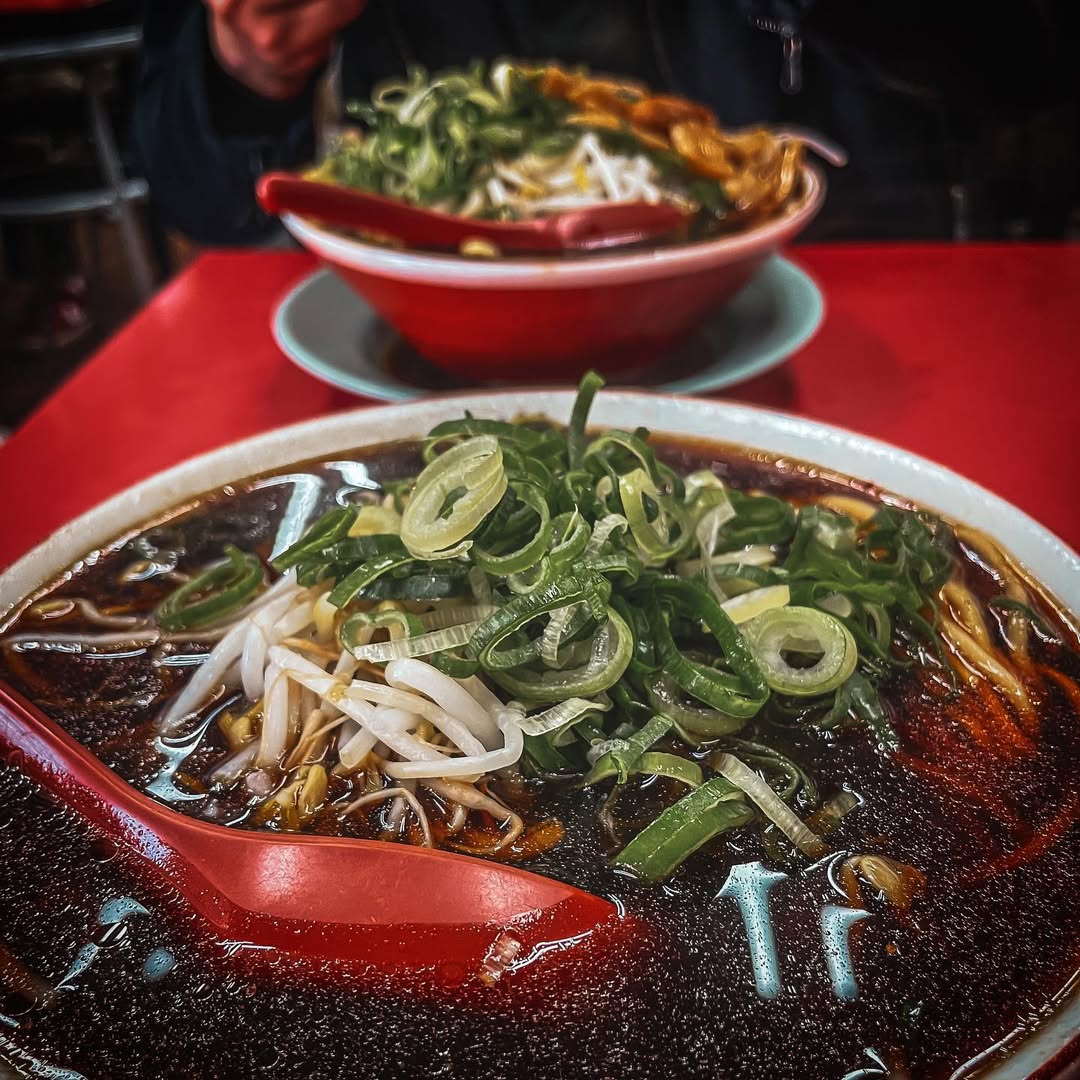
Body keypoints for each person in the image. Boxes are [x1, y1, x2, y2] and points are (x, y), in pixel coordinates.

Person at [133, 0, 1077, 245]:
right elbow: (200, 197)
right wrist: (248, 72)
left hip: (843, 282)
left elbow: (1027, 71)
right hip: (439, 351)